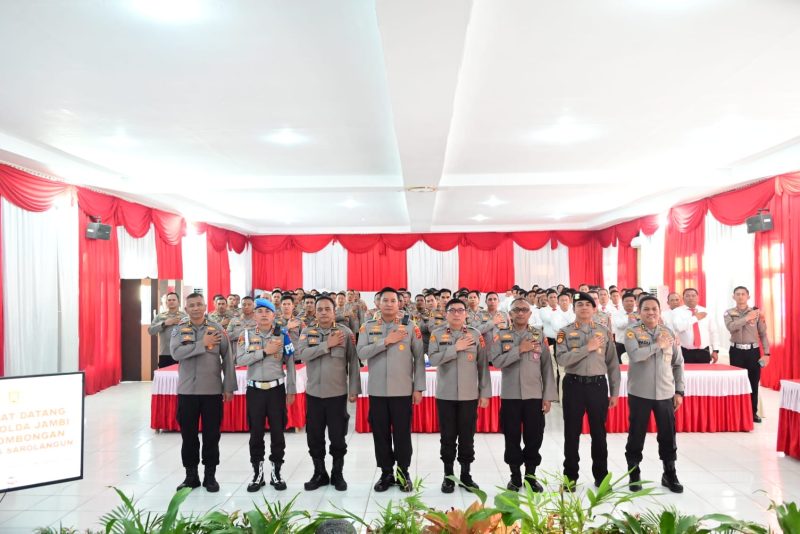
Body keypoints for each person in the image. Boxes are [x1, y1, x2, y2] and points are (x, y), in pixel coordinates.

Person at [357, 287, 425, 492]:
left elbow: (419, 359)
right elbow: (361, 353)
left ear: (399, 303)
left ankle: (403, 472)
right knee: (381, 434)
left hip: (402, 391)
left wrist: (418, 387)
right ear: (378, 303)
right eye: (384, 300)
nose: (388, 304)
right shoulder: (367, 327)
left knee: (402, 434)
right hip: (377, 391)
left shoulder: (411, 327)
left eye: (392, 300)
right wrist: (386, 341)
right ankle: (386, 473)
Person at [169, 292, 237, 493]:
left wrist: (228, 386)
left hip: (211, 391)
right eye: (192, 305)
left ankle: (210, 475)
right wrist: (202, 344)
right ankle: (191, 476)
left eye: (199, 304)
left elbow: (228, 358)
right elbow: (175, 353)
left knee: (211, 435)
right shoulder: (179, 329)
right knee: (188, 436)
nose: (196, 308)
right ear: (186, 308)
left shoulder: (216, 328)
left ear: (205, 306)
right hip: (187, 392)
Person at [555, 291, 620, 489]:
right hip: (573, 385)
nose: (583, 307)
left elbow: (613, 364)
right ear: (574, 308)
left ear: (594, 309)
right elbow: (562, 359)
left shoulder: (604, 331)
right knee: (571, 433)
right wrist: (587, 348)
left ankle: (601, 476)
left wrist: (615, 391)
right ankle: (570, 477)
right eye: (579, 304)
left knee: (599, 434)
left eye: (587, 304)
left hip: (597, 386)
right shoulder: (564, 332)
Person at [491, 298, 557, 492]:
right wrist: (519, 350)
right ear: (510, 314)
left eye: (524, 310)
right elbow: (496, 361)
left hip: (534, 396)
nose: (520, 313)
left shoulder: (539, 335)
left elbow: (547, 367)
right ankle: (515, 477)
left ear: (530, 314)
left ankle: (530, 476)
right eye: (516, 310)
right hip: (510, 396)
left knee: (534, 437)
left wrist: (548, 396)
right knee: (511, 437)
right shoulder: (500, 335)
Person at [296, 295, 361, 491]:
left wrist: (353, 389)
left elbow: (353, 362)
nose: (323, 312)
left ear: (334, 312)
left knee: (338, 437)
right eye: (320, 309)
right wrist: (326, 345)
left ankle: (337, 473)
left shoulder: (345, 333)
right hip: (314, 395)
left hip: (337, 395)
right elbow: (302, 354)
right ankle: (319, 473)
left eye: (327, 309)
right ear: (315, 312)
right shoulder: (307, 332)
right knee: (314, 437)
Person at [427, 298, 491, 493]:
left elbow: (482, 366)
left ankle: (465, 475)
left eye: (460, 310)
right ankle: (448, 476)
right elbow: (433, 359)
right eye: (452, 310)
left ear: (466, 314)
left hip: (469, 396)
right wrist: (455, 348)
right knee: (447, 437)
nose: (456, 313)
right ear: (446, 314)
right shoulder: (437, 334)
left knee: (467, 437)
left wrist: (484, 392)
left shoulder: (475, 334)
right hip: (445, 395)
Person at [624, 295, 685, 493]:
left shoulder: (669, 332)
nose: (651, 312)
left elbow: (678, 364)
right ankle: (634, 473)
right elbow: (635, 355)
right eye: (646, 309)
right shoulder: (632, 332)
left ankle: (670, 473)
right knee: (636, 435)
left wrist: (679, 391)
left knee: (668, 436)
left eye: (654, 309)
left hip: (665, 393)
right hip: (640, 393)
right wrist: (657, 345)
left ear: (659, 312)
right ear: (639, 312)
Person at [236, 298, 297, 492]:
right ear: (254, 315)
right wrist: (264, 351)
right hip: (255, 391)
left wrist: (291, 389)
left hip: (276, 391)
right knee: (256, 434)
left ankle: (276, 472)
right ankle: (258, 473)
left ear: (273, 315)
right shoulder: (245, 335)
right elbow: (240, 359)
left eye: (267, 311)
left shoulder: (283, 335)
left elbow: (290, 362)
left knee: (278, 433)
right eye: (259, 311)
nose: (263, 315)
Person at [724, 286, 770, 422]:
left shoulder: (757, 313)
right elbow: (731, 327)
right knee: (736, 382)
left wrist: (767, 353)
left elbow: (763, 334)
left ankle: (752, 412)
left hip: (753, 352)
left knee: (753, 382)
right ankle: (737, 413)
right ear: (733, 297)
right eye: (737, 294)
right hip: (736, 351)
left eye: (743, 294)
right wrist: (747, 318)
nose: (740, 296)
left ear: (748, 296)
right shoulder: (729, 313)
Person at [672, 288, 719, 364]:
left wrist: (715, 350)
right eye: (687, 296)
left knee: (705, 371)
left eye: (693, 295)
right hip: (685, 352)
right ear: (683, 298)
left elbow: (713, 332)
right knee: (685, 372)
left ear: (698, 298)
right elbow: (678, 327)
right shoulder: (677, 312)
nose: (691, 298)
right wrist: (695, 318)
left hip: (704, 352)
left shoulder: (707, 311)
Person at [148, 291, 188, 368]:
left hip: (181, 353)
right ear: (166, 302)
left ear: (178, 302)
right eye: (169, 300)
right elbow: (150, 330)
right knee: (164, 375)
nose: (171, 302)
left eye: (173, 300)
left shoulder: (185, 317)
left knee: (181, 375)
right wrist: (164, 323)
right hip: (165, 353)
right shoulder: (159, 317)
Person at [611, 292, 639, 363]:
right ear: (622, 302)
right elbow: (620, 325)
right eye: (627, 301)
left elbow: (643, 326)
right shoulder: (616, 313)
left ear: (635, 302)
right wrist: (632, 318)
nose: (629, 303)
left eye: (631, 301)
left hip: (636, 345)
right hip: (621, 345)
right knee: (621, 366)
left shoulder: (639, 313)